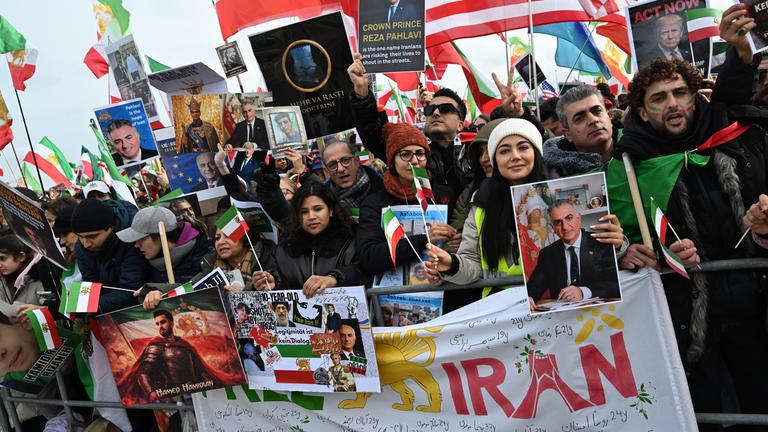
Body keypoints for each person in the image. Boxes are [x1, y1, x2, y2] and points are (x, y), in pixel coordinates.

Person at [614, 6, 763, 427]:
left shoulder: (726, 136)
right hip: (688, 320)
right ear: (642, 112)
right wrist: (660, 253)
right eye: (659, 98)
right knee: (704, 416)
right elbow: (623, 239)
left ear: (695, 96)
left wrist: (739, 54)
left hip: (754, 305)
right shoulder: (629, 168)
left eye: (681, 93)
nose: (673, 104)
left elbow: (737, 91)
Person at [426, 119, 624, 312]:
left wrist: (618, 243)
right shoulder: (481, 202)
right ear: (495, 160)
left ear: (536, 153)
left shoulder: (567, 193)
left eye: (523, 148)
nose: (515, 156)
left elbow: (600, 250)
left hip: (563, 307)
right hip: (502, 310)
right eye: (504, 151)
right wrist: (451, 265)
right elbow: (471, 264)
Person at [348, 54, 469, 196]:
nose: (435, 113)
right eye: (430, 109)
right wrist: (362, 94)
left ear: (461, 124)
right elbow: (372, 134)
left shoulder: (475, 152)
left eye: (446, 109)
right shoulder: (407, 147)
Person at [356, 123, 457, 291]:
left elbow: (460, 251)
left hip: (442, 294)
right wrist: (424, 239)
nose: (415, 161)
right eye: (405, 154)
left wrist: (456, 242)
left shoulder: (444, 196)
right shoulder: (375, 203)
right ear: (392, 159)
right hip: (393, 298)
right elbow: (368, 257)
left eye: (420, 153)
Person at [265, 183, 367, 297]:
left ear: (331, 210)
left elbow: (363, 271)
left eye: (318, 209)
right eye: (304, 212)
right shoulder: (285, 247)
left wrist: (334, 278)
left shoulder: (351, 240)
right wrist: (274, 282)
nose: (311, 216)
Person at [526, 200, 621, 306]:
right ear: (552, 228)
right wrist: (528, 298)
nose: (565, 227)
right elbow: (533, 290)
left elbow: (616, 284)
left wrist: (582, 292)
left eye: (569, 218)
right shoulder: (547, 254)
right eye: (558, 222)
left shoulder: (601, 243)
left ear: (579, 218)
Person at [118, 309, 223, 403]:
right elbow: (143, 374)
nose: (160, 326)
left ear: (171, 323)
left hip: (198, 392)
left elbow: (200, 369)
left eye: (163, 322)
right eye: (157, 323)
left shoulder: (184, 345)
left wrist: (208, 381)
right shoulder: (156, 347)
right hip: (174, 396)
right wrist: (151, 393)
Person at [72, 198, 149, 312]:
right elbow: (92, 283)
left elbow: (131, 289)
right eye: (80, 237)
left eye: (92, 236)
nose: (86, 244)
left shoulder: (131, 240)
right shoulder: (81, 247)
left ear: (112, 228)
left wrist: (95, 306)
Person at [117, 206, 212, 284]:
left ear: (161, 235)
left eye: (141, 239)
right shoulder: (148, 264)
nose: (136, 245)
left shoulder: (205, 256)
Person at [543, 86, 616, 178]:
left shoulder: (636, 147)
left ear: (609, 116)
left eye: (597, 111)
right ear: (568, 134)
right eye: (579, 118)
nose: (593, 120)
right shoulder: (555, 177)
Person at [450, 119, 502, 232]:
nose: (483, 159)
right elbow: (456, 230)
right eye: (481, 152)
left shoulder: (537, 190)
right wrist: (460, 236)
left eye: (490, 149)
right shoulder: (470, 191)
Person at [321, 138, 384, 215]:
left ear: (357, 161)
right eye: (332, 165)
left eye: (345, 160)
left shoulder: (385, 192)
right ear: (327, 171)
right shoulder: (324, 205)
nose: (341, 169)